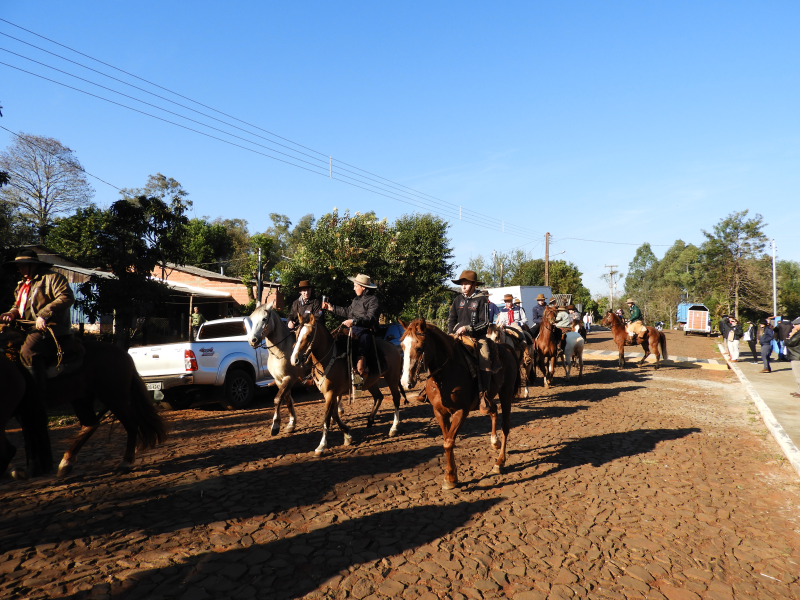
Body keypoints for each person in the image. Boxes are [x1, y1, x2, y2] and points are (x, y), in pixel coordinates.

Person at [1, 249, 74, 472]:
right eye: (18, 267)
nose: (20, 269)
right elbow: (18, 306)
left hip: (47, 327)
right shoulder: (22, 284)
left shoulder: (53, 278)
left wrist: (45, 313)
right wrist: (11, 314)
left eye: (24, 266)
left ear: (35, 265)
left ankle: (36, 393)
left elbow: (66, 297)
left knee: (29, 351)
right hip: (23, 325)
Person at [447, 270, 500, 414]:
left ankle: (484, 396)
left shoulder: (482, 299)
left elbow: (485, 323)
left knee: (485, 358)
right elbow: (451, 319)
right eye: (461, 284)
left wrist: (468, 328)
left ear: (474, 284)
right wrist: (450, 334)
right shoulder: (457, 300)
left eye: (466, 283)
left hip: (478, 337)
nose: (463, 286)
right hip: (457, 337)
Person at [321, 274, 381, 379]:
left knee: (361, 345)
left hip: (365, 331)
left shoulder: (373, 300)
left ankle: (360, 373)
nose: (353, 288)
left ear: (363, 287)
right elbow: (348, 312)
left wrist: (354, 321)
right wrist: (332, 308)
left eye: (355, 286)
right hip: (352, 329)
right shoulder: (356, 300)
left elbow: (371, 319)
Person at [786, 317, 800, 398]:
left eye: (796, 324)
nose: (794, 326)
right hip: (797, 355)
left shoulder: (798, 334)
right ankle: (798, 390)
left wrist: (787, 339)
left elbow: (791, 342)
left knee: (798, 375)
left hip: (797, 356)